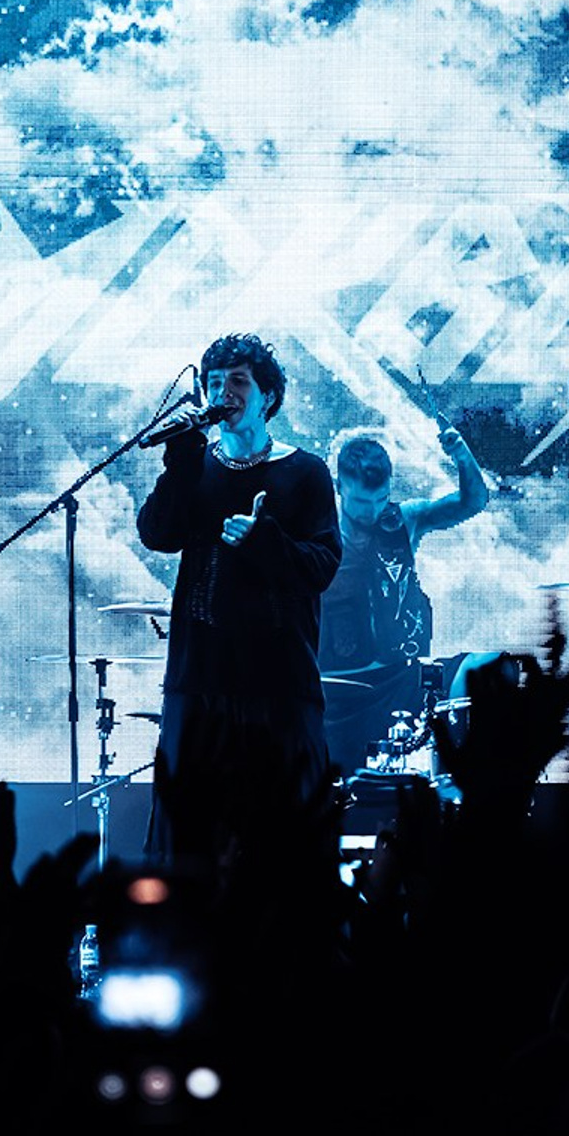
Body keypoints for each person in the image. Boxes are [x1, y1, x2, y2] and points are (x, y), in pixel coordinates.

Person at [137, 334, 341, 854]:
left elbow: (322, 566)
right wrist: (179, 465)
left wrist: (263, 542)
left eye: (237, 381)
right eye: (212, 382)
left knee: (280, 844)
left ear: (268, 396)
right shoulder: (196, 465)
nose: (221, 392)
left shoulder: (305, 472)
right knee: (191, 844)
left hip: (277, 687)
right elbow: (158, 534)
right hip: (199, 680)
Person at [320, 422, 489, 771]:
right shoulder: (317, 533)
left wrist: (461, 453)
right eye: (361, 502)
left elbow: (473, 502)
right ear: (339, 488)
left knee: (489, 669)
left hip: (402, 679)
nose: (372, 512)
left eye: (380, 499)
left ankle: (463, 794)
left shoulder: (405, 520)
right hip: (339, 691)